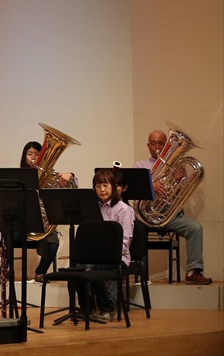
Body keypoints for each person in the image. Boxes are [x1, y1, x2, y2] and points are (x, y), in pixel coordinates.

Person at [135, 130, 211, 285]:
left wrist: (180, 181)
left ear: (167, 146)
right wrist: (151, 186)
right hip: (145, 216)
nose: (157, 146)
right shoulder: (140, 166)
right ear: (148, 146)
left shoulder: (177, 166)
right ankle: (128, 268)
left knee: (195, 228)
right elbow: (134, 190)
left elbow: (183, 194)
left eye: (161, 143)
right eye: (153, 143)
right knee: (128, 226)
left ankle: (193, 272)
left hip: (169, 215)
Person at [72, 169, 135, 322]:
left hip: (118, 258)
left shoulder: (124, 209)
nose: (102, 189)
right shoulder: (94, 208)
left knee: (90, 268)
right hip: (96, 257)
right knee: (77, 267)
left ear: (113, 186)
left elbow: (125, 240)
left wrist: (105, 254)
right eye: (98, 186)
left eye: (106, 185)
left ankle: (107, 308)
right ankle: (87, 308)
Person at [20, 140, 77, 283]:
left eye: (37, 154)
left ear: (42, 156)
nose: (33, 157)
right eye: (29, 154)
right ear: (24, 156)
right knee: (6, 235)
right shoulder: (18, 177)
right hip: (22, 224)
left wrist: (70, 175)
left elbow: (71, 189)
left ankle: (40, 272)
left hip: (42, 226)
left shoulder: (50, 175)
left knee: (53, 244)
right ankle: (6, 271)